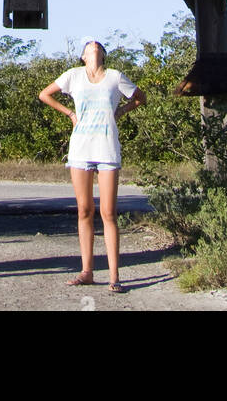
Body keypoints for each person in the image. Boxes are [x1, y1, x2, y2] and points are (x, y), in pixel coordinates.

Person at [39, 38, 146, 290]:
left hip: (107, 147)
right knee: (84, 210)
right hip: (81, 148)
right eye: (89, 46)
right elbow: (44, 94)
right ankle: (86, 271)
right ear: (83, 56)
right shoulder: (73, 76)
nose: (93, 45)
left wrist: (121, 111)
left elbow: (141, 97)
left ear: (103, 55)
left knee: (108, 212)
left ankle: (114, 277)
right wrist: (70, 114)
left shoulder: (115, 77)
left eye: (97, 46)